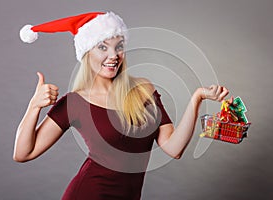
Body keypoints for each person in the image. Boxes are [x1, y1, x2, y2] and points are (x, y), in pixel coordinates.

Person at [13, 11, 229, 200]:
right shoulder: (75, 102)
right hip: (89, 194)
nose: (113, 56)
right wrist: (34, 106)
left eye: (119, 47)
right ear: (87, 53)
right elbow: (23, 154)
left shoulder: (144, 90)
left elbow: (174, 148)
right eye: (102, 47)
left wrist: (197, 98)